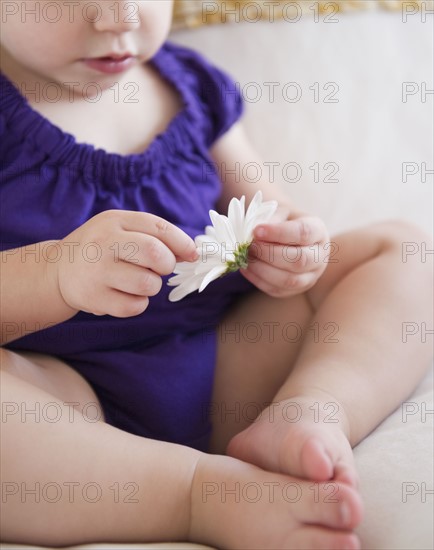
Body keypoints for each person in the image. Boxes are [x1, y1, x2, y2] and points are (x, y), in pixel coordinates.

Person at [0, 1, 432, 549]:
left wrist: (293, 252)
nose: (120, 18)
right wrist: (55, 275)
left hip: (227, 367)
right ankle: (195, 495)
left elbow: (270, 211)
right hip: (65, 408)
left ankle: (307, 413)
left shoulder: (190, 88)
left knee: (403, 248)